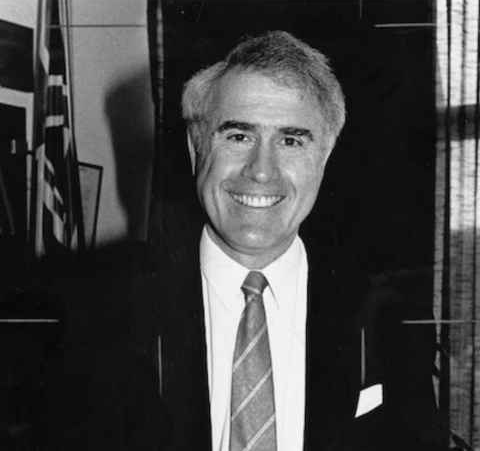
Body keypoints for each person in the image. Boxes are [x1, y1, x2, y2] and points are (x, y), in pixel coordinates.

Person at [46, 31, 444, 451]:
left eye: (291, 140)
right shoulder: (97, 313)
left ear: (324, 157)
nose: (261, 171)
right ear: (195, 146)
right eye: (239, 136)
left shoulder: (387, 317)